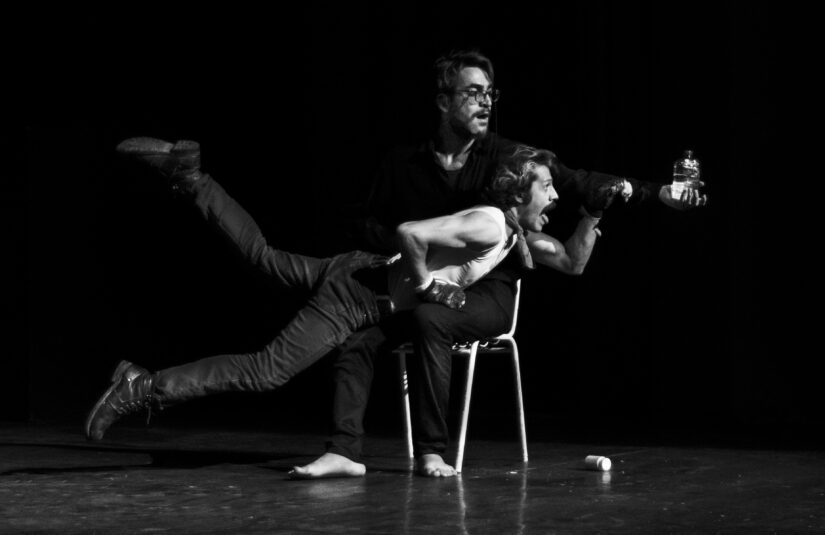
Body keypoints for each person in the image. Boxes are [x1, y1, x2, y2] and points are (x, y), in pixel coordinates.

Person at [290, 50, 707, 479]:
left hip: (489, 291)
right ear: (443, 101)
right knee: (360, 334)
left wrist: (658, 193)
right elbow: (363, 221)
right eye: (473, 93)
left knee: (432, 319)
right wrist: (402, 253)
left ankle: (431, 451)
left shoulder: (503, 157)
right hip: (422, 282)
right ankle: (343, 450)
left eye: (490, 93)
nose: (486, 102)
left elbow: (576, 182)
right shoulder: (404, 162)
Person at [84, 139, 596, 468]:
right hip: (356, 297)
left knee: (263, 257)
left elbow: (572, 261)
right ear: (518, 191)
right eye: (547, 186)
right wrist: (425, 285)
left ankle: (193, 178)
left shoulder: (510, 236)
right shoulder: (490, 223)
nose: (555, 196)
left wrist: (595, 214)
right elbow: (409, 232)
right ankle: (142, 387)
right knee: (267, 371)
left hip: (357, 270)